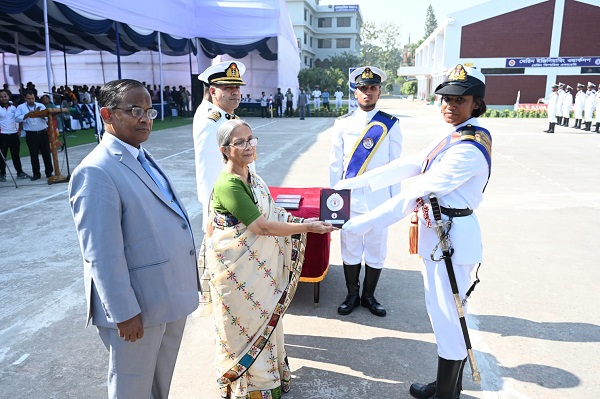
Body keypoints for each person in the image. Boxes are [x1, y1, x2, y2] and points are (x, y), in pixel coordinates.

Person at [335, 64, 492, 399]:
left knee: (448, 317)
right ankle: (448, 382)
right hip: (439, 233)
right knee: (444, 314)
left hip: (451, 241)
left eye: (459, 99)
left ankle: (447, 393)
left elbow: (414, 192)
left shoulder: (468, 146)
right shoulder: (454, 133)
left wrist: (355, 223)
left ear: (476, 103)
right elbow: (409, 164)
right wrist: (354, 183)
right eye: (445, 98)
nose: (449, 105)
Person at [68, 79, 199, 399]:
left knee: (158, 384)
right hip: (137, 307)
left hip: (166, 296)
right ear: (107, 115)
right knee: (132, 387)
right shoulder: (96, 171)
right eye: (134, 110)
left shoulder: (140, 155)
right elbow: (101, 252)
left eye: (149, 111)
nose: (145, 118)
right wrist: (123, 312)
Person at [204, 118, 336, 398]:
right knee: (243, 328)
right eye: (239, 142)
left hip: (256, 273)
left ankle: (268, 379)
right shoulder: (229, 183)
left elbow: (273, 213)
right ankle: (246, 386)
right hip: (236, 272)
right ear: (224, 150)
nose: (248, 146)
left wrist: (304, 220)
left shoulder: (254, 176)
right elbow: (261, 227)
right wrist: (307, 227)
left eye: (251, 139)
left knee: (264, 320)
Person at [329, 66, 403, 317]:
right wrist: (333, 200)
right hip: (350, 198)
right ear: (355, 91)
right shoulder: (342, 124)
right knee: (350, 246)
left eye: (372, 88)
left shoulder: (390, 124)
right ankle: (351, 295)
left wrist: (395, 202)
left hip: (379, 199)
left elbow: (396, 166)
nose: (367, 93)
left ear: (379, 91)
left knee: (376, 247)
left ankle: (369, 296)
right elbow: (335, 164)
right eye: (363, 88)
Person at [193, 61, 250, 231]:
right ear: (213, 91)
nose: (235, 92)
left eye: (237, 87)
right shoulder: (212, 122)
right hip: (226, 210)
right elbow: (208, 171)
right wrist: (214, 213)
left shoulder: (228, 117)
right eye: (227, 88)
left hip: (238, 200)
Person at [15, 90, 53, 181]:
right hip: (31, 134)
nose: (31, 100)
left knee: (46, 153)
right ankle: (36, 173)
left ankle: (49, 172)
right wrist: (28, 114)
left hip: (43, 132)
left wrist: (40, 115)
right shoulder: (21, 107)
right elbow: (17, 119)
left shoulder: (41, 105)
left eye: (32, 98)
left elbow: (48, 118)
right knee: (34, 154)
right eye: (29, 99)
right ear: (25, 98)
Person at [0, 90, 28, 180]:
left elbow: (18, 118)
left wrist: (19, 129)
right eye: (1, 97)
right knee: (2, 156)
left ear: (8, 97)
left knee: (16, 154)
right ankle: (2, 173)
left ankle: (19, 172)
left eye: (5, 96)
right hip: (2, 135)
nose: (3, 98)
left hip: (13, 134)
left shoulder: (14, 107)